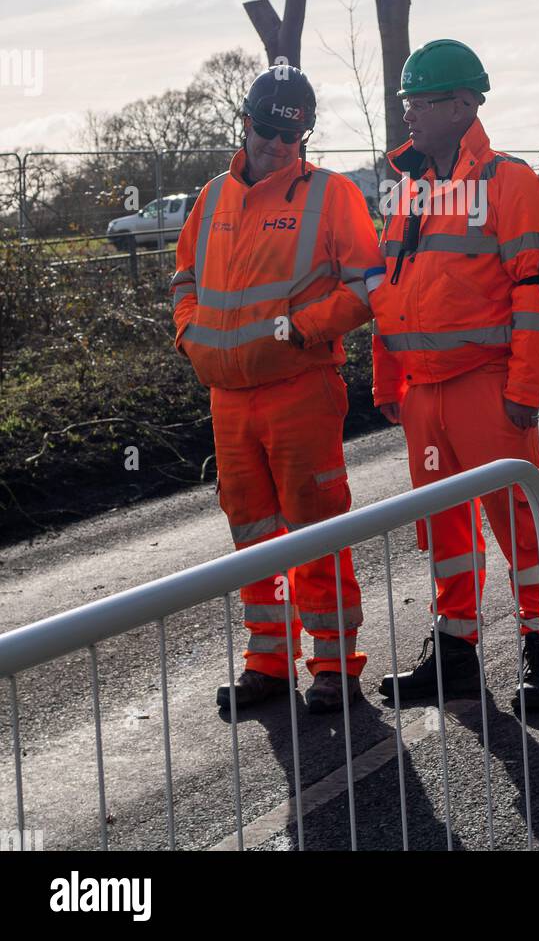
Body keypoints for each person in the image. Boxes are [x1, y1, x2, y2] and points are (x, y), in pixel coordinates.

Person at [170, 64, 384, 713]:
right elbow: (184, 280)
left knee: (313, 526)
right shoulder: (211, 198)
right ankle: (266, 661)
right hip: (228, 399)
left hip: (300, 389)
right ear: (246, 124)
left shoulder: (330, 195)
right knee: (252, 532)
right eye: (266, 133)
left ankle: (334, 667)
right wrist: (191, 338)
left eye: (290, 139)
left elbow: (368, 287)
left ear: (305, 138)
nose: (276, 148)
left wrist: (299, 332)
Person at [370, 39, 539, 710]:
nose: (409, 114)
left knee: (522, 528)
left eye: (421, 100)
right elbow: (389, 291)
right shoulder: (410, 190)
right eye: (407, 101)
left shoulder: (510, 183)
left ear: (463, 103)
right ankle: (453, 655)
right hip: (422, 394)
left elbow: (533, 293)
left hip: (487, 385)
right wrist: (385, 381)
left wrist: (523, 393)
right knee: (442, 529)